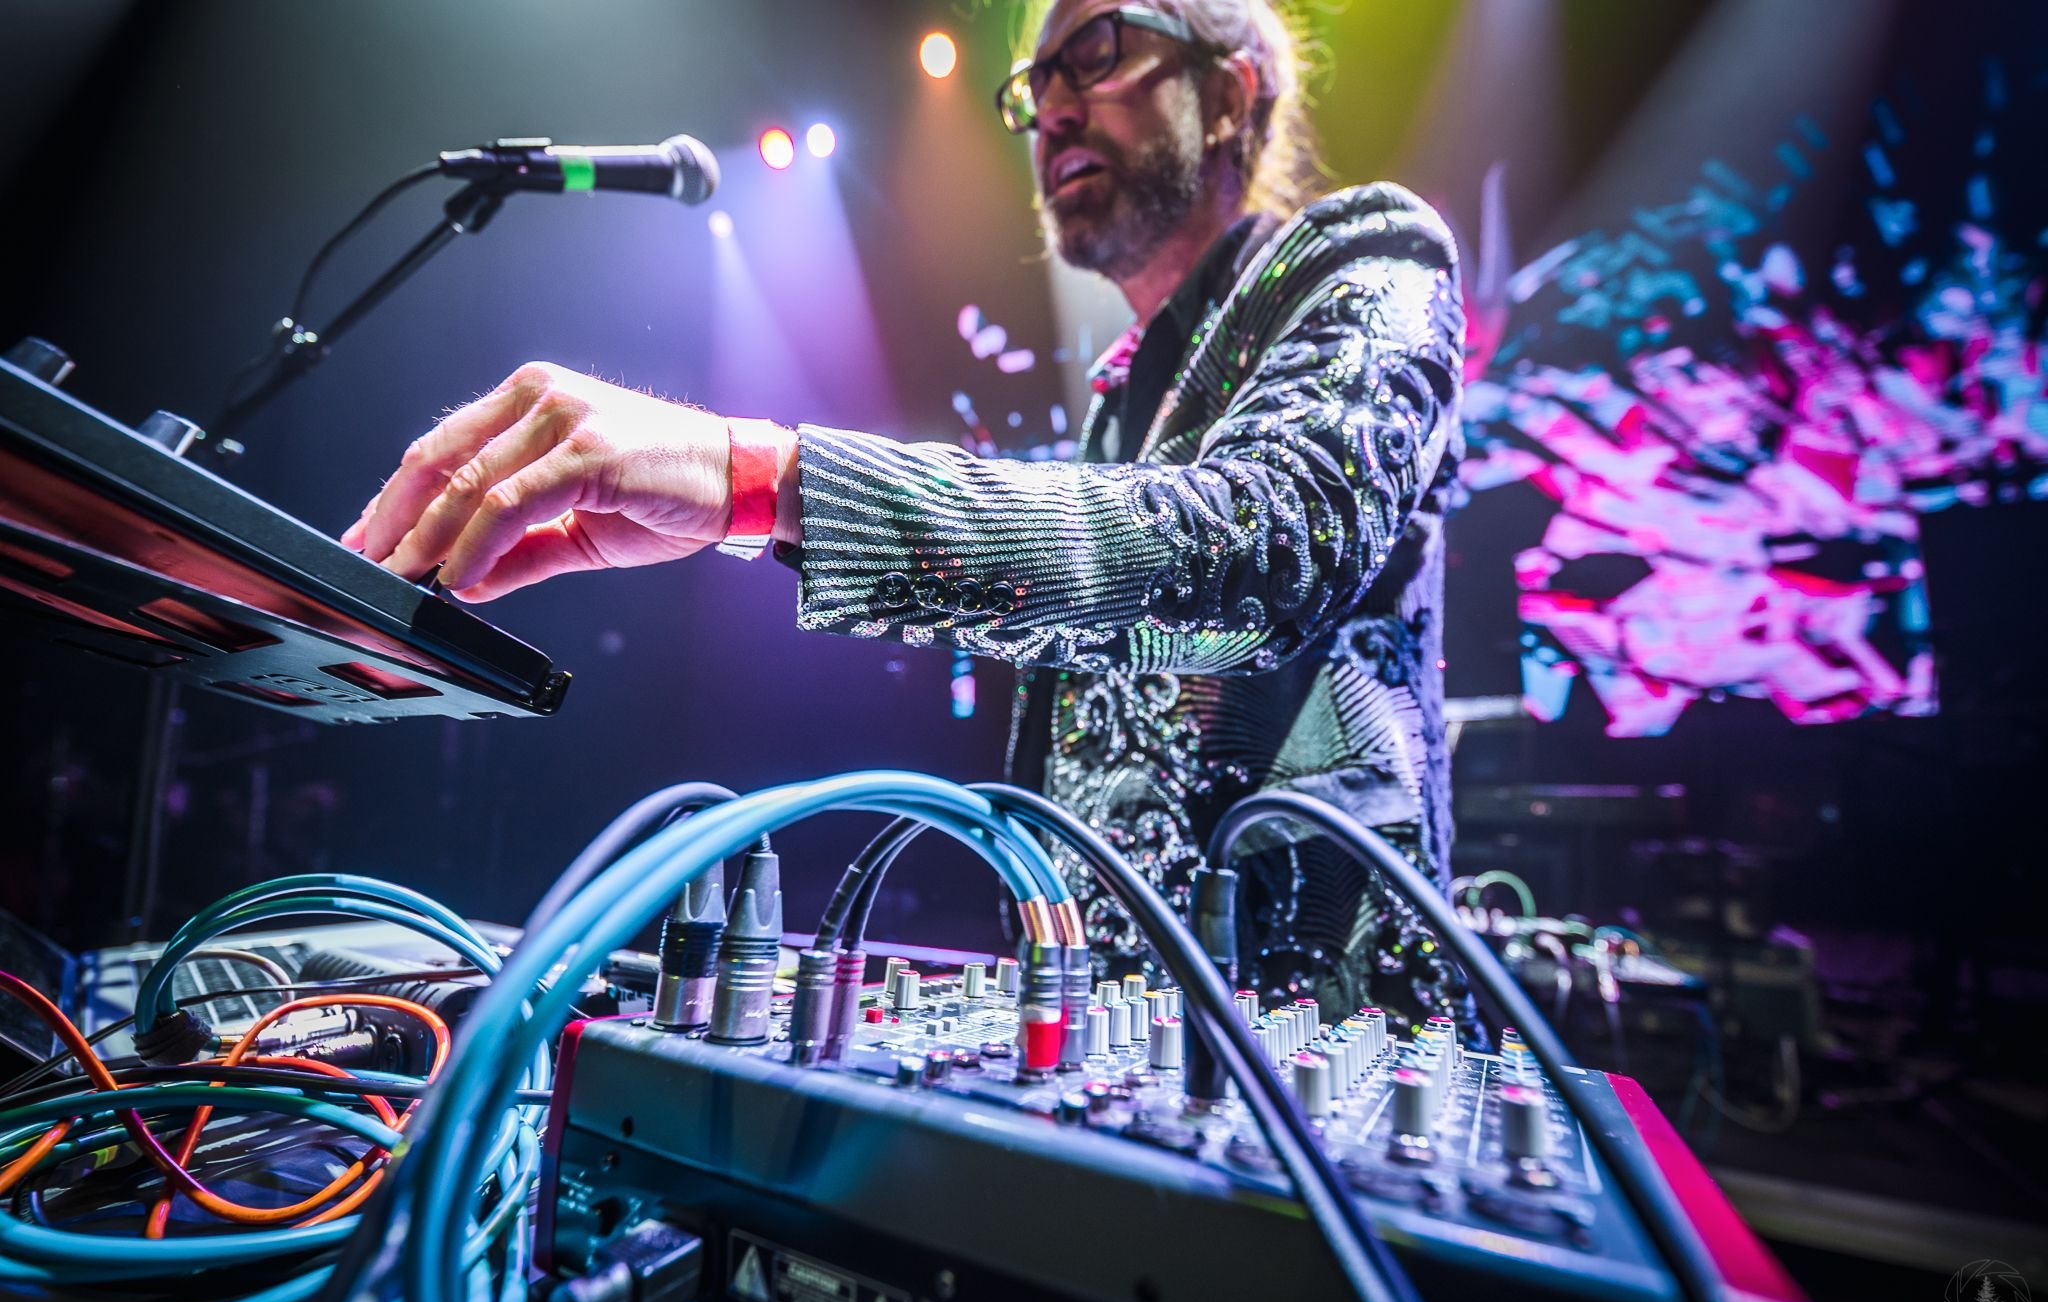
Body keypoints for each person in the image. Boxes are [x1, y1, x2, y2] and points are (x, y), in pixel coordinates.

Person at [342, 0, 1472, 1035]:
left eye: (1097, 52)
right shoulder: (1116, 412)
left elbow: (1258, 548)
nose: (1052, 107)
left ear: (1230, 90)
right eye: (1034, 84)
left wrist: (756, 476)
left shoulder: (1371, 252)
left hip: (1337, 1045)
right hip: (1105, 1047)